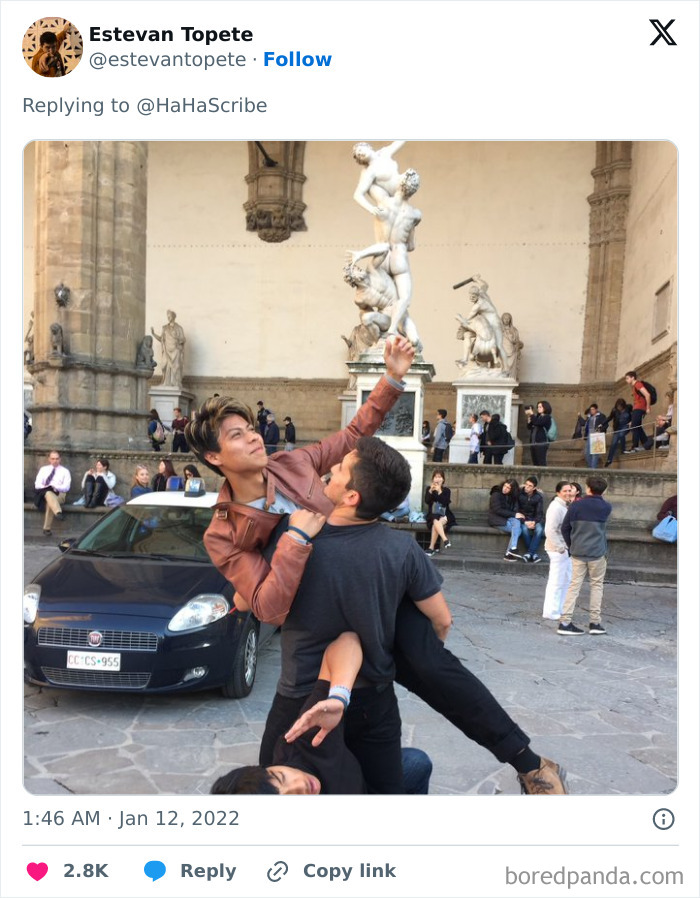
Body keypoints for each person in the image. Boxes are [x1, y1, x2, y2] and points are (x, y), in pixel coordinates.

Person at [186, 337, 567, 796]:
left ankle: (529, 765)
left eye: (250, 428)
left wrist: (391, 379)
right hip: (313, 621)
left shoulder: (291, 463)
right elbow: (268, 608)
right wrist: (296, 540)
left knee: (437, 667)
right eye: (236, 435)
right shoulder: (224, 532)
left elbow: (351, 438)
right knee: (283, 755)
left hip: (362, 579)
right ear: (213, 458)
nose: (252, 436)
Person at [211, 632, 432, 795]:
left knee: (416, 763)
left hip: (366, 787)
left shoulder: (303, 742)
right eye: (291, 798)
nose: (300, 785)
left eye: (282, 777)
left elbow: (347, 642)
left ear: (267, 768)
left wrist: (338, 697)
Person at [349, 169, 422, 343]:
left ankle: (386, 334)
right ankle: (391, 330)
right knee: (403, 298)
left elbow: (362, 190)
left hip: (382, 254)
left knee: (390, 299)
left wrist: (370, 169)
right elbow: (411, 245)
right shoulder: (415, 214)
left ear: (398, 185)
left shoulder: (383, 203)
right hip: (399, 257)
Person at [557, 476, 612, 636]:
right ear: (603, 490)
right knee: (597, 586)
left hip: (578, 551)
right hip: (598, 552)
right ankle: (595, 622)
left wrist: (571, 545)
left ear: (588, 488)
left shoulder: (576, 505)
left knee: (574, 586)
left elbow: (565, 528)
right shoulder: (606, 507)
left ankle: (565, 621)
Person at [542, 482, 574, 620]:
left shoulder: (563, 506)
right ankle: (551, 611)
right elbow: (550, 530)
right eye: (565, 491)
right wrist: (560, 548)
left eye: (570, 490)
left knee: (565, 579)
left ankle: (558, 608)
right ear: (558, 492)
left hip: (564, 548)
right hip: (558, 549)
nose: (568, 493)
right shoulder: (556, 507)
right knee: (556, 581)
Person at [34, 450, 71, 536]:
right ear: (49, 459)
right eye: (53, 458)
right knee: (48, 493)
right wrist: (48, 486)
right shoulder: (43, 469)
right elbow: (37, 485)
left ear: (60, 459)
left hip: (59, 494)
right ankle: (58, 512)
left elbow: (66, 487)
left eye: (57, 458)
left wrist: (55, 486)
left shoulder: (65, 471)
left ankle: (47, 529)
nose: (55, 460)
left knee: (50, 500)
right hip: (43, 494)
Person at [424, 470, 457, 556]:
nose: (437, 479)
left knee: (436, 522)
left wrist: (439, 491)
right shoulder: (429, 489)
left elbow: (445, 503)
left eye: (439, 477)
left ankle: (431, 548)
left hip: (444, 513)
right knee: (435, 520)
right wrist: (431, 491)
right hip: (433, 513)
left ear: (443, 479)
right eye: (436, 477)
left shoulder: (446, 490)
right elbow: (427, 501)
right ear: (433, 479)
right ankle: (445, 540)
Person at [488, 479, 522, 561]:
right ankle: (509, 552)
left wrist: (523, 487)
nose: (505, 489)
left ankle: (512, 550)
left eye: (508, 488)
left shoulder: (511, 497)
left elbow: (515, 509)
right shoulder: (496, 494)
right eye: (505, 486)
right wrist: (514, 514)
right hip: (496, 520)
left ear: (512, 490)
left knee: (517, 523)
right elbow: (497, 510)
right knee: (518, 530)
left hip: (506, 519)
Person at [151, 310, 186, 388]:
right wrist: (153, 334)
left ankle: (176, 382)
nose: (168, 317)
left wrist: (178, 341)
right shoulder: (165, 328)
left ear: (173, 316)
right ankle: (166, 382)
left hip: (176, 350)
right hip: (167, 350)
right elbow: (161, 339)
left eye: (170, 316)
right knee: (165, 366)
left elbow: (183, 339)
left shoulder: (179, 328)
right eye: (168, 316)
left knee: (176, 366)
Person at [516, 476, 545, 563]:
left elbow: (539, 513)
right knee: (524, 529)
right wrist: (525, 521)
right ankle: (533, 554)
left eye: (530, 486)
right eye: (526, 484)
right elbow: (516, 510)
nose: (527, 487)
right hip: (523, 519)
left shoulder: (538, 497)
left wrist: (534, 522)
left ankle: (529, 553)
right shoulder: (519, 494)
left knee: (539, 529)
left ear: (534, 488)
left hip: (535, 519)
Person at [624, 371, 652, 451]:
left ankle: (635, 446)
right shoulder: (634, 386)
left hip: (639, 408)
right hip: (637, 408)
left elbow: (647, 395)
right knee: (637, 427)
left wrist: (648, 407)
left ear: (633, 377)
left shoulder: (638, 384)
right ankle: (647, 444)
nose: (626, 380)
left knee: (634, 427)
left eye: (627, 378)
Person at [603, 399, 632, 467]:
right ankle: (609, 460)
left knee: (621, 434)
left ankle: (623, 449)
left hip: (626, 426)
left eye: (620, 406)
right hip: (618, 427)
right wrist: (602, 423)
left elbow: (633, 414)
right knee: (613, 443)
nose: (619, 408)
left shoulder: (629, 408)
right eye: (618, 406)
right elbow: (609, 418)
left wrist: (632, 421)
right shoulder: (614, 410)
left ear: (623, 406)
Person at [525, 401, 552, 467]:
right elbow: (529, 427)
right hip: (533, 443)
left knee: (541, 462)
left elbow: (538, 423)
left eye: (540, 407)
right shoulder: (537, 416)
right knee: (535, 462)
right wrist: (529, 419)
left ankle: (542, 477)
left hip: (541, 443)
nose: (538, 408)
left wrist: (531, 414)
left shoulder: (547, 417)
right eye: (538, 407)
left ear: (545, 407)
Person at [583, 403, 608, 469]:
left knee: (595, 453)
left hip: (597, 435)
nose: (591, 411)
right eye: (591, 409)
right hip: (589, 435)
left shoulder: (601, 416)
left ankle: (593, 468)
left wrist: (601, 430)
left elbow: (606, 424)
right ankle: (590, 466)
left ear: (596, 409)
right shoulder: (589, 417)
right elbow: (584, 424)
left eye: (593, 409)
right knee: (587, 453)